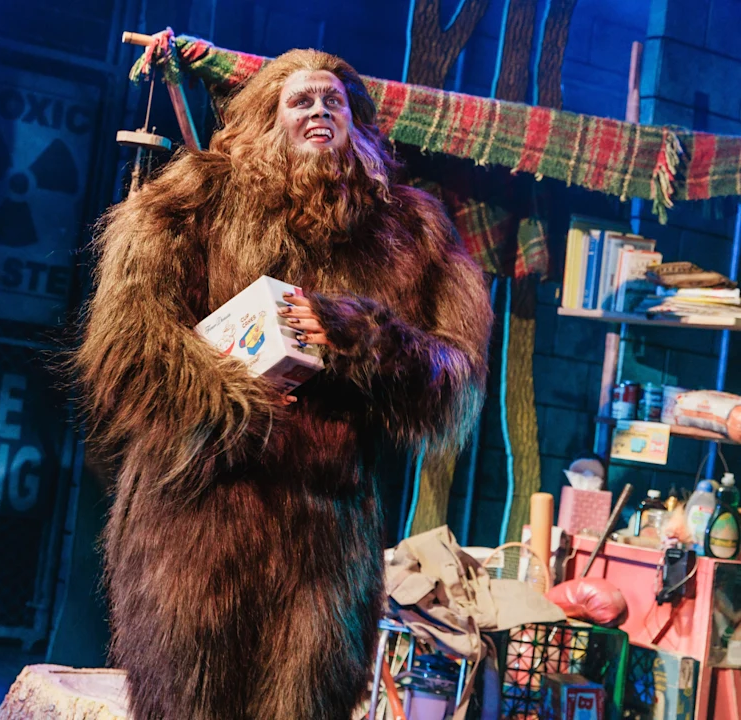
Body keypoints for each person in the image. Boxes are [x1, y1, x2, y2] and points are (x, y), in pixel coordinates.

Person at [73, 48, 492, 720]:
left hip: (326, 530)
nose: (320, 111)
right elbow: (128, 337)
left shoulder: (410, 229)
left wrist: (363, 336)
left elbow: (456, 375)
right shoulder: (196, 197)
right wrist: (233, 398)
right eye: (301, 100)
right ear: (264, 120)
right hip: (197, 514)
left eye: (334, 101)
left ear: (358, 124)